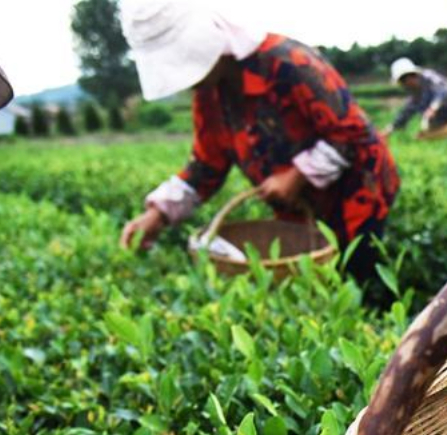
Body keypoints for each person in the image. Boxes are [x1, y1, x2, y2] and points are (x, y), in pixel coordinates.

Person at [118, 0, 399, 286]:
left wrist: (297, 174)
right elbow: (207, 165)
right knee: (309, 285)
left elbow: (353, 133)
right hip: (300, 211)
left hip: (357, 195)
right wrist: (158, 213)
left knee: (357, 277)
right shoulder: (208, 96)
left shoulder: (288, 64)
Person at [382, 58, 447, 140]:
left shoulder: (429, 77)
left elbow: (443, 91)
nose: (407, 82)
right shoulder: (414, 96)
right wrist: (390, 129)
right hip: (445, 120)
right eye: (403, 80)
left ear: (413, 74)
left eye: (409, 77)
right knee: (423, 136)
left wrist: (433, 108)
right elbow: (404, 115)